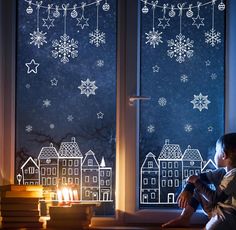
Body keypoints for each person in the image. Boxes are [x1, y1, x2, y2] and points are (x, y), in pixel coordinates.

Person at [162, 133, 236, 229]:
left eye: (216, 151)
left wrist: (196, 182)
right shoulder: (223, 171)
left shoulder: (233, 176)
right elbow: (198, 177)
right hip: (218, 208)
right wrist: (188, 188)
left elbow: (216, 198)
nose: (214, 154)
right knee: (198, 186)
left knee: (210, 228)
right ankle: (184, 218)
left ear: (223, 155)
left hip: (229, 215)